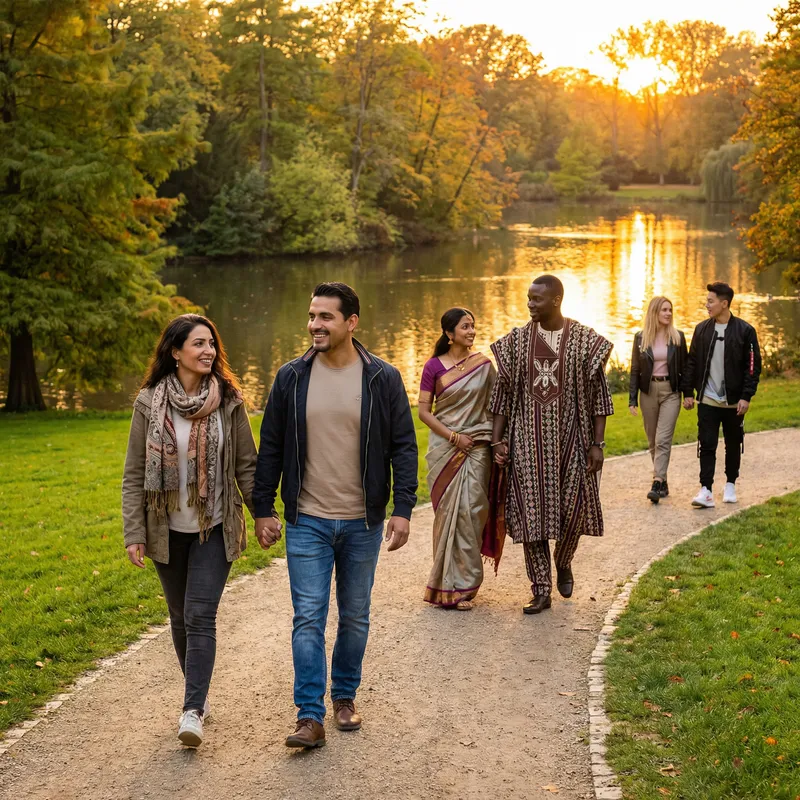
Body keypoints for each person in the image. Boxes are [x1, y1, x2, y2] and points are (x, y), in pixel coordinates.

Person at [253, 282, 418, 749]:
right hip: (307, 519)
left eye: (325, 317)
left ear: (351, 323)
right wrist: (263, 507)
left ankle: (344, 696)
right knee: (307, 616)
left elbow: (404, 447)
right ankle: (310, 715)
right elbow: (271, 447)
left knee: (356, 615)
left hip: (362, 522)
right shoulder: (291, 377)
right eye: (311, 316)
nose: (314, 325)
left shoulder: (381, 378)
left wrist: (402, 508)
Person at [122, 314, 258, 748]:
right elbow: (135, 473)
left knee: (200, 614)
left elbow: (247, 467)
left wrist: (265, 514)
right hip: (165, 529)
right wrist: (134, 531)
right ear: (175, 351)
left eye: (212, 344)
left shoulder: (230, 400)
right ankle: (197, 691)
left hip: (213, 526)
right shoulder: (149, 401)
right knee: (179, 617)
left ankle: (192, 709)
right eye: (198, 344)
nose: (208, 351)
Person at [491, 275, 614, 615]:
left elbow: (600, 397)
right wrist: (497, 440)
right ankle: (541, 588)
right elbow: (501, 394)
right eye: (528, 298)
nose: (530, 304)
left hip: (572, 442)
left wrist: (597, 444)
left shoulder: (583, 342)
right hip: (526, 445)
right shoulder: (516, 343)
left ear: (556, 300)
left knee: (573, 513)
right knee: (532, 518)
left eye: (536, 299)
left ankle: (564, 559)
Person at [418, 308, 496, 610]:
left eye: (473, 326)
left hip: (477, 446)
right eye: (465, 327)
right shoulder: (433, 367)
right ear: (449, 334)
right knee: (447, 515)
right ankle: (445, 584)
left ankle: (464, 585)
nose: (471, 331)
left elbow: (494, 407)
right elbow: (425, 412)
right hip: (445, 449)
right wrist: (454, 437)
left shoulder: (484, 366)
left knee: (472, 513)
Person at [682, 282, 762, 508]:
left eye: (710, 301)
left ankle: (730, 484)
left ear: (724, 303)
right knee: (706, 443)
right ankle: (706, 489)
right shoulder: (701, 330)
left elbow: (752, 366)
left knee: (733, 443)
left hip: (733, 402)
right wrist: (688, 391)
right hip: (707, 399)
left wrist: (746, 396)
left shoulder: (745, 331)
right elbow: (692, 362)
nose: (706, 304)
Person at [628, 296, 688, 504]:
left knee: (663, 439)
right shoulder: (640, 338)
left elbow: (685, 368)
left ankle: (656, 481)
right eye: (664, 310)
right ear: (654, 312)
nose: (668, 313)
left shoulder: (678, 337)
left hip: (671, 391)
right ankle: (663, 479)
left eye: (670, 310)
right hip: (648, 392)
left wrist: (688, 394)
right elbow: (635, 369)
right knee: (653, 440)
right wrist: (632, 399)